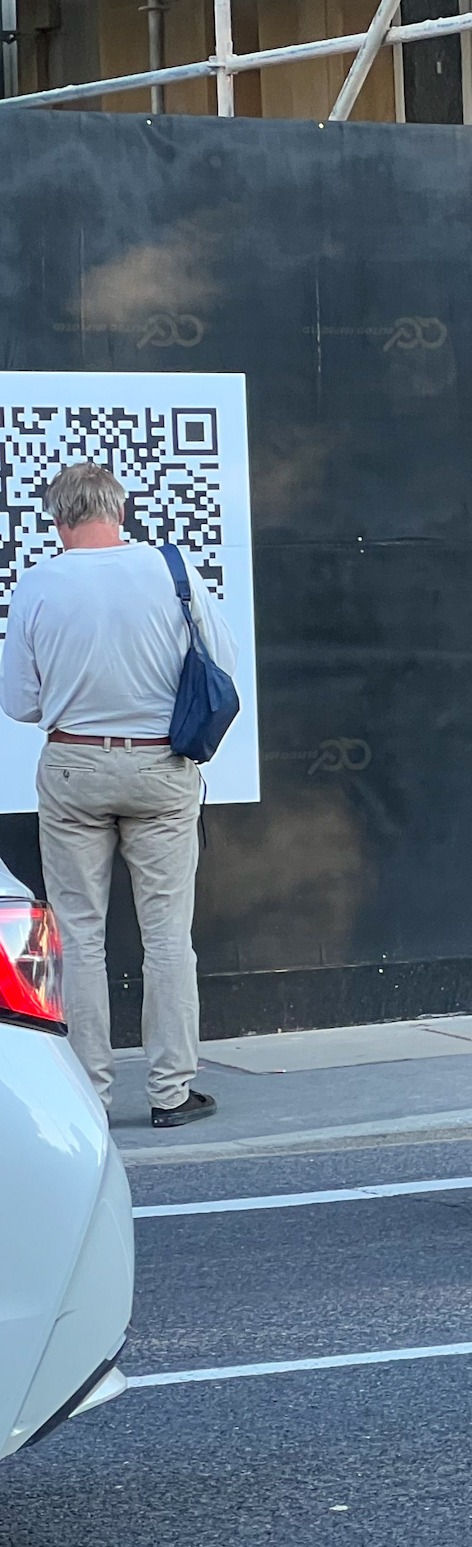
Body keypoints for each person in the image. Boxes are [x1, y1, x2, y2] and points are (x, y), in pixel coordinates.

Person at [0, 463, 236, 1127]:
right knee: (167, 937)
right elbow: (223, 665)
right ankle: (170, 1090)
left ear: (57, 520)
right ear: (121, 509)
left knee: (76, 934)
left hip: (74, 764)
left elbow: (19, 702)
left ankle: (87, 1094)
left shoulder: (38, 584)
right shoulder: (172, 569)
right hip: (161, 766)